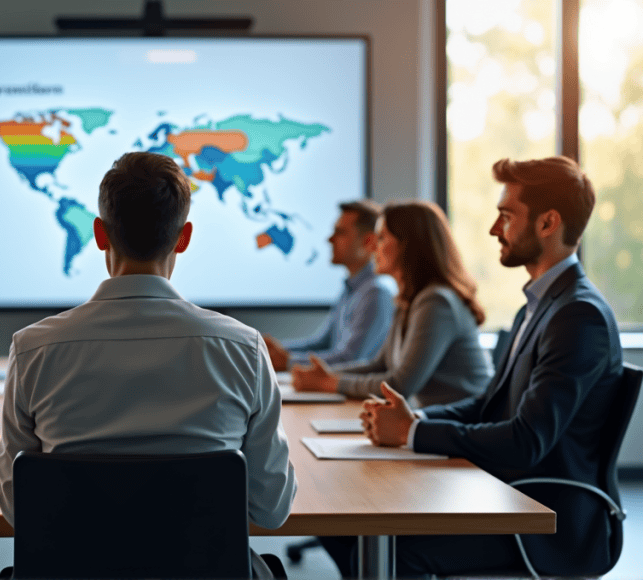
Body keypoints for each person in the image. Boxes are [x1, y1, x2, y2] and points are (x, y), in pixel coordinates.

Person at [0, 152, 297, 579]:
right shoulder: (242, 348)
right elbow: (271, 510)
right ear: (184, 237)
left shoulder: (32, 350)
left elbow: (16, 510)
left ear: (99, 234)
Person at [347, 156, 623, 577]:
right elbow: (488, 405)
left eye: (506, 216)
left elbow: (527, 439)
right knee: (362, 530)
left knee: (392, 545)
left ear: (547, 223)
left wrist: (414, 432)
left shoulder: (577, 317)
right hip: (511, 493)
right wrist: (412, 419)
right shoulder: (536, 308)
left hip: (546, 517)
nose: (495, 229)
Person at [292, 201, 494, 407]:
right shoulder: (409, 299)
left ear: (407, 245)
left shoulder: (436, 302)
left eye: (381, 238)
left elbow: (400, 385)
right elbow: (380, 365)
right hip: (433, 423)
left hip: (460, 427)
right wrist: (327, 375)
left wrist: (332, 383)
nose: (372, 247)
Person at [263, 200, 396, 371]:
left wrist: (288, 362)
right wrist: (274, 351)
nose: (330, 239)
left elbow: (350, 359)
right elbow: (322, 343)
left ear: (368, 241)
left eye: (340, 232)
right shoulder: (351, 289)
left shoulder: (376, 292)